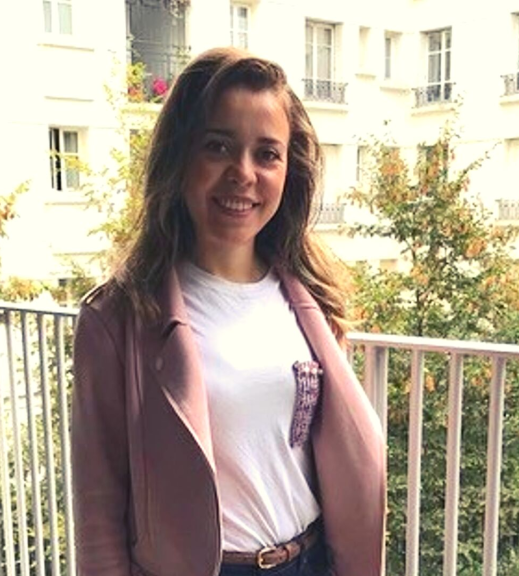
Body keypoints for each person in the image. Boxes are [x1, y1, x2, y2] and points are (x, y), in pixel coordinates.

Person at [70, 47, 385, 576]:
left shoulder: (313, 301)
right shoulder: (118, 319)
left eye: (267, 154)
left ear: (289, 171)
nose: (243, 173)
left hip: (310, 560)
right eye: (218, 146)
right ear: (180, 157)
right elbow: (99, 514)